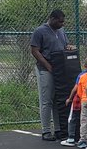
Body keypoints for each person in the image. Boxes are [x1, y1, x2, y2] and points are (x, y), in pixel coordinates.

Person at [30, 9, 71, 141]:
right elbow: (34, 50)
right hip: (45, 69)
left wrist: (69, 47)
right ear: (52, 19)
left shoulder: (61, 31)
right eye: (60, 21)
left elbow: (64, 45)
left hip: (59, 69)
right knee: (46, 99)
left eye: (63, 22)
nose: (62, 24)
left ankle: (58, 129)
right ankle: (46, 130)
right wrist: (48, 66)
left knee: (57, 100)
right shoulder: (40, 31)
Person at [64, 55, 87, 147]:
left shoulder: (81, 75)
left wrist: (70, 98)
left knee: (76, 118)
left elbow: (76, 88)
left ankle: (72, 138)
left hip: (81, 99)